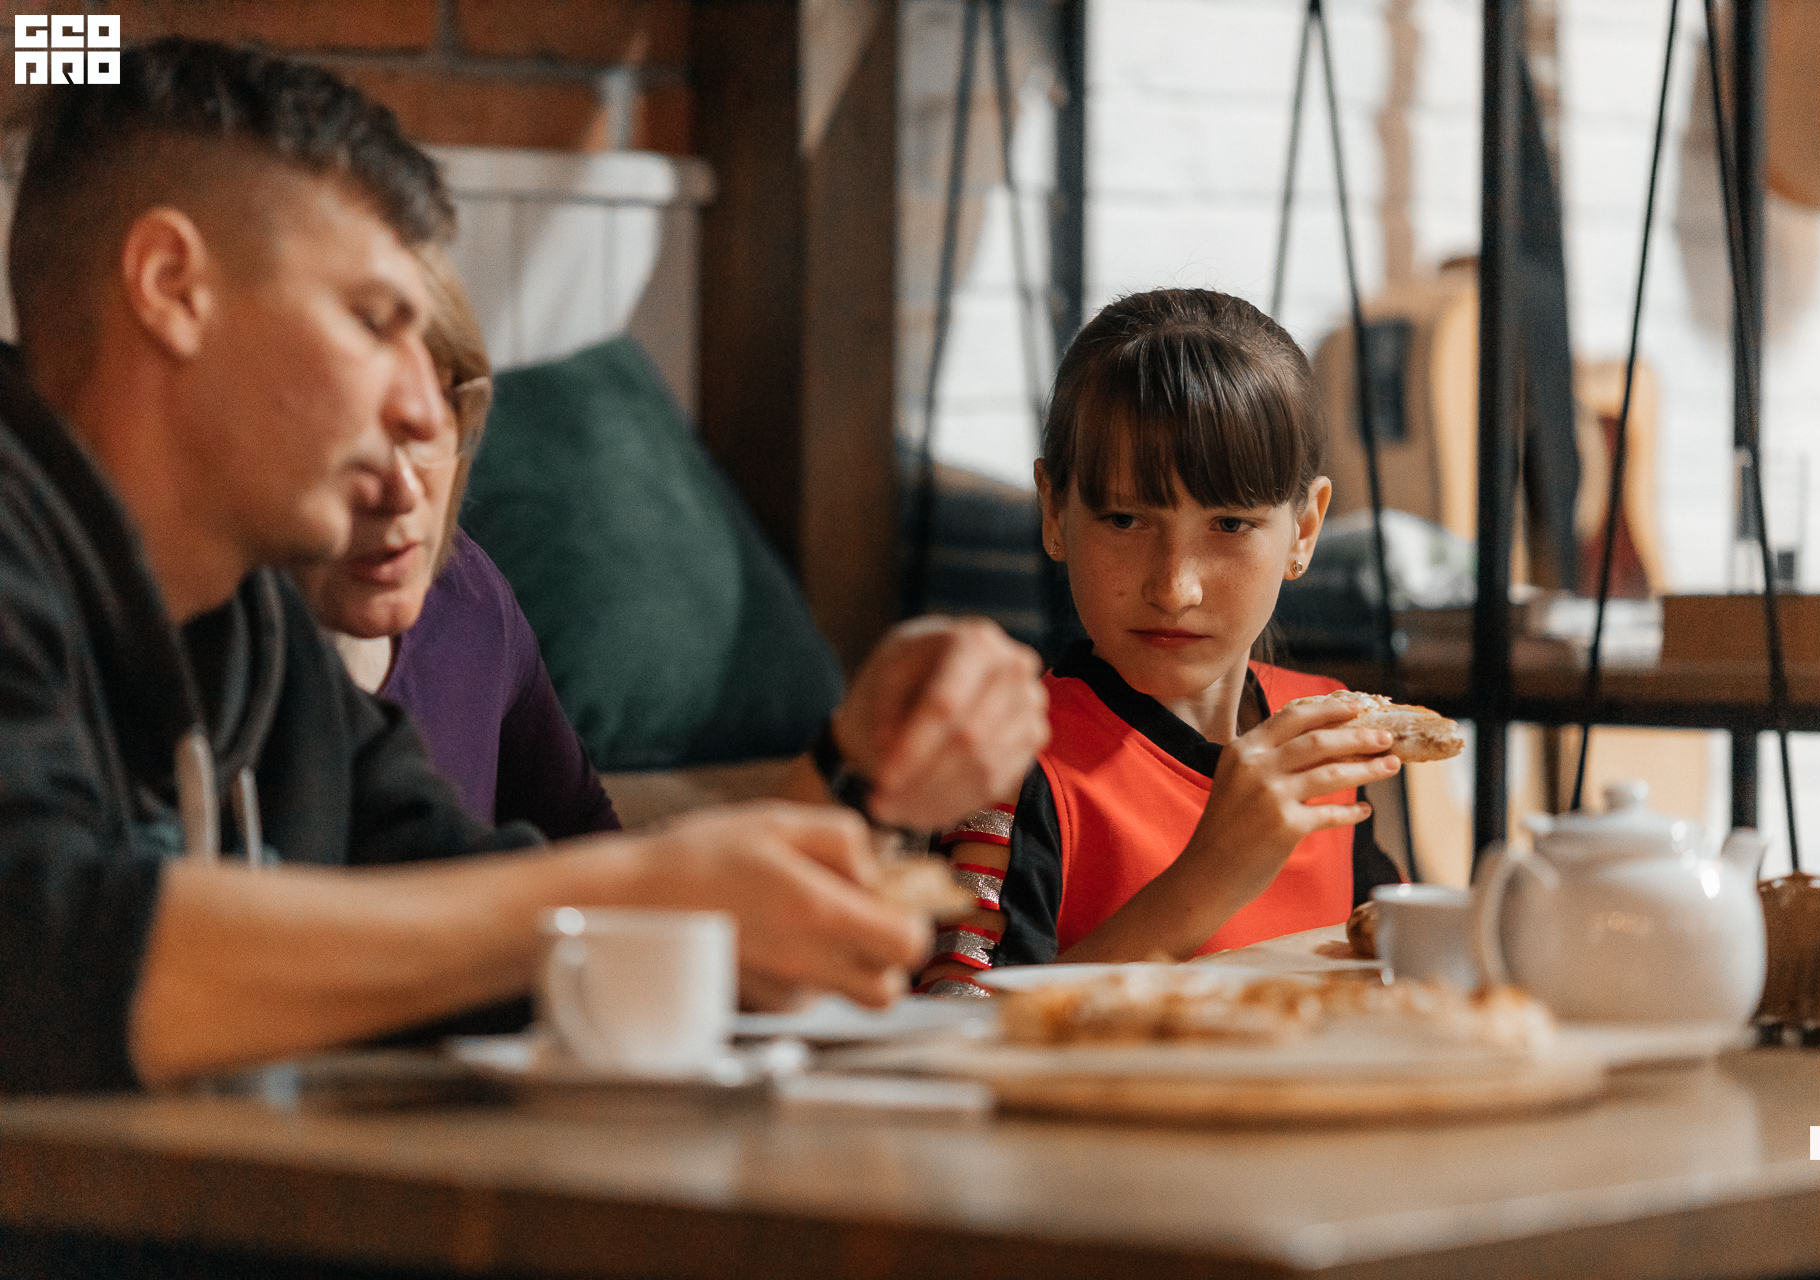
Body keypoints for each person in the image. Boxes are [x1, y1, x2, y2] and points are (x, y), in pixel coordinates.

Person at [0, 38, 1047, 1095]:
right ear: (172, 286)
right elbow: (38, 950)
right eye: (373, 320)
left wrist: (855, 759)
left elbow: (488, 934)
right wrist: (632, 893)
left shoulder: (256, 634)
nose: (421, 408)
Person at [917, 289, 1402, 995]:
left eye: (1230, 525)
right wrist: (1204, 884)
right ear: (1054, 510)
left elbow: (1394, 969)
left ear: (1303, 531)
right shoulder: (1007, 763)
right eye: (1123, 519)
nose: (1174, 588)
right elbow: (950, 1033)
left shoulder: (1326, 740)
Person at [292, 244, 618, 838]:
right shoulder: (199, 652)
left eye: (424, 427)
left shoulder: (470, 599)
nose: (402, 491)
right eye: (352, 434)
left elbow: (585, 842)